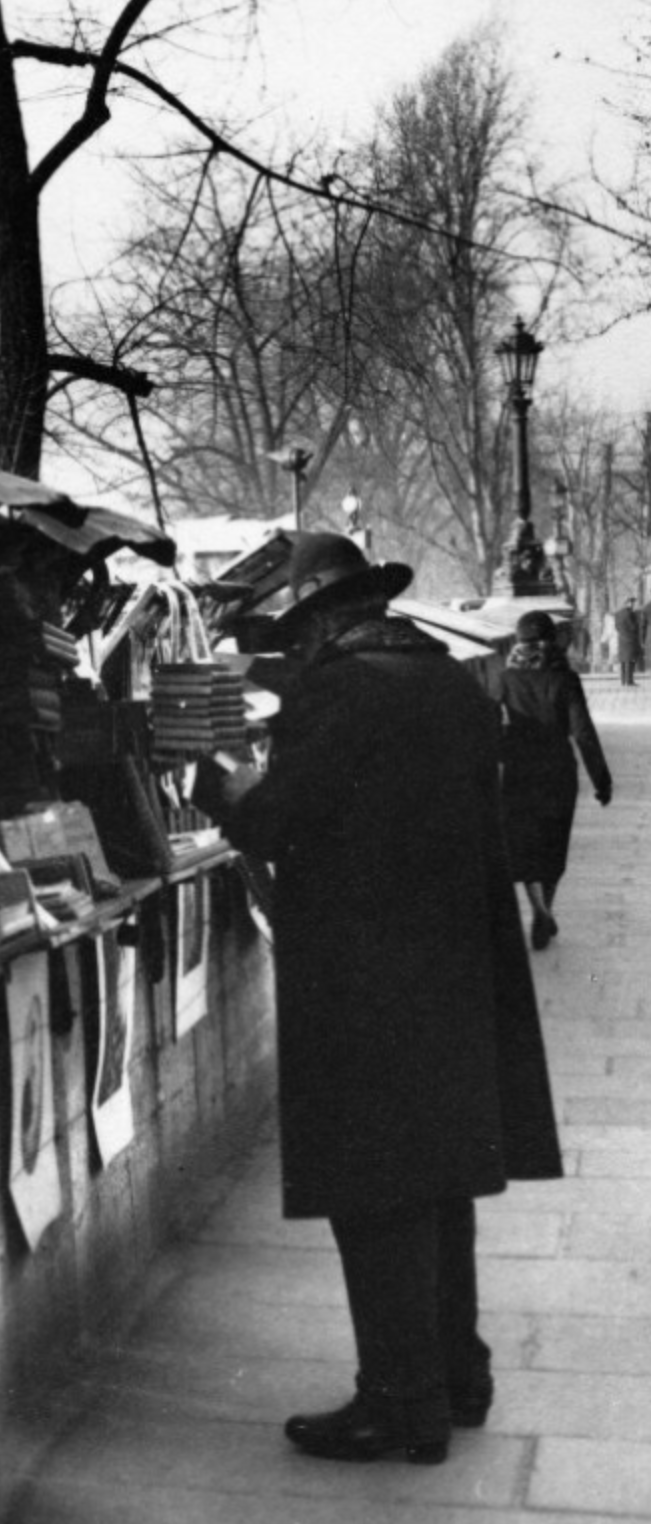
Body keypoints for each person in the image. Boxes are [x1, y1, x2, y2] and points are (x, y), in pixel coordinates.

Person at [203, 533, 561, 1468]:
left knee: (375, 1190)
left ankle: (399, 1403)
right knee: (441, 1180)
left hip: (368, 979)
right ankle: (458, 1373)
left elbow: (276, 819)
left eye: (297, 629)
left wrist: (211, 773)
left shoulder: (339, 689)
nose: (298, 647)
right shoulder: (444, 679)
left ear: (321, 618)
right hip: (454, 970)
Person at [499, 609, 611, 951]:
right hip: (558, 774)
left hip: (518, 773)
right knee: (553, 847)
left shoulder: (505, 679)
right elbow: (583, 733)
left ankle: (538, 908)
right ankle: (545, 908)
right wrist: (601, 780)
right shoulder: (565, 678)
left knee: (525, 846)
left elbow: (489, 725)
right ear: (551, 640)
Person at [614, 595, 641, 686]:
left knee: (623, 660)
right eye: (632, 602)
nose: (633, 604)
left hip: (622, 639)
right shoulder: (630, 614)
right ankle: (629, 681)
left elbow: (617, 627)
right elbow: (633, 627)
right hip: (631, 639)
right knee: (631, 660)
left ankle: (623, 681)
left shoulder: (618, 613)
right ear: (627, 603)